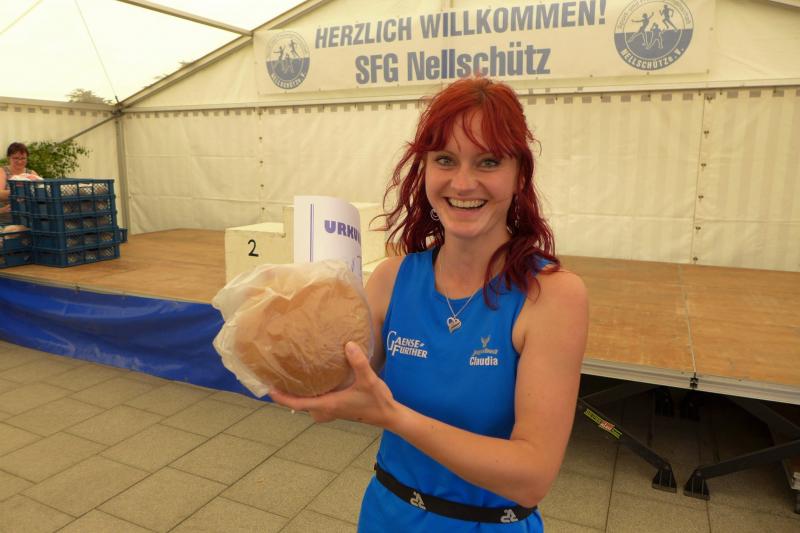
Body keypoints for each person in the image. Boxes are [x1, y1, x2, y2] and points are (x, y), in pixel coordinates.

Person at [270, 77, 588, 532]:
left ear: (520, 175)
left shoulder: (552, 295)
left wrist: (394, 418)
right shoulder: (392, 278)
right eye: (445, 160)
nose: (463, 182)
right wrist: (285, 324)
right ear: (424, 170)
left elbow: (531, 476)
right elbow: (338, 380)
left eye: (488, 161)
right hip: (386, 515)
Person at [1, 142, 40, 226]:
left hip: (28, 219)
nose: (19, 161)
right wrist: (20, 192)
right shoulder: (3, 171)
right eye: (15, 158)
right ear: (9, 158)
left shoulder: (31, 173)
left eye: (23, 158)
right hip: (6, 219)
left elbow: (41, 193)